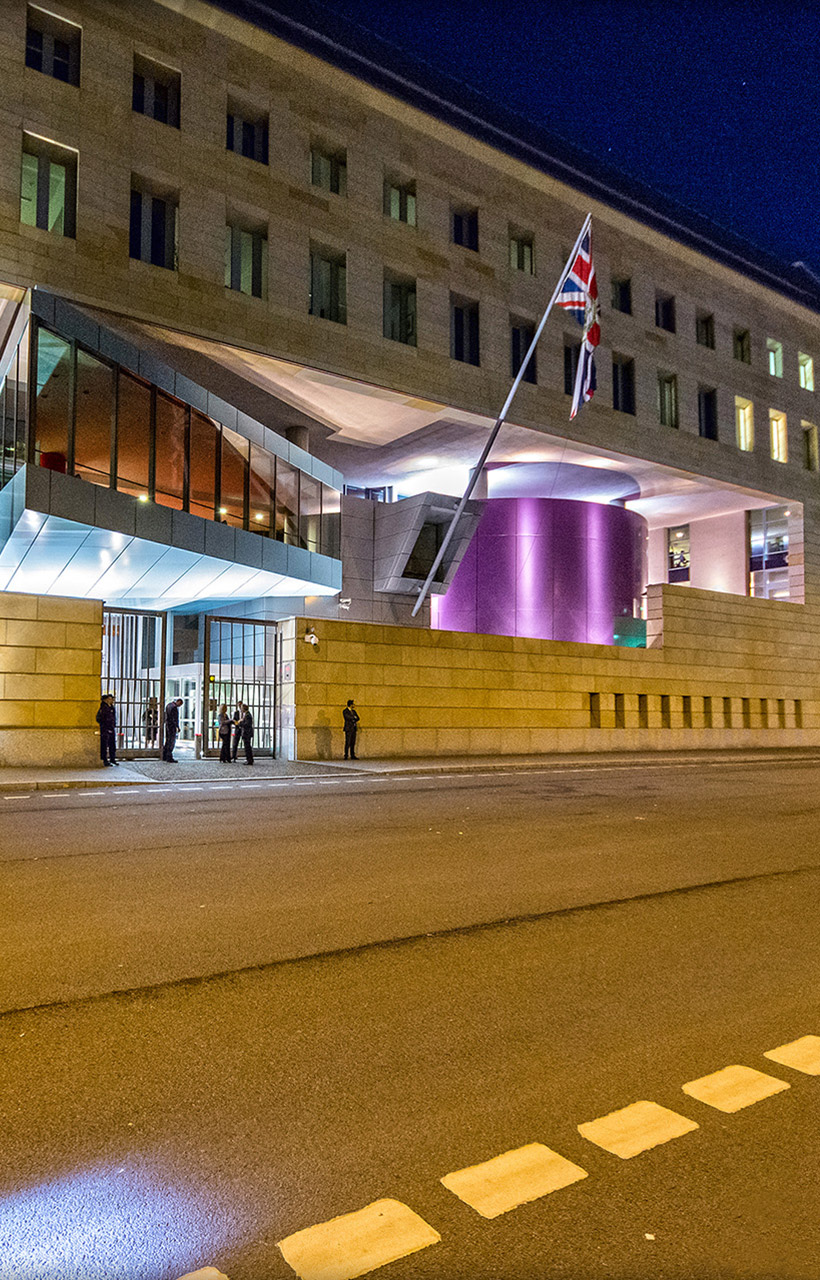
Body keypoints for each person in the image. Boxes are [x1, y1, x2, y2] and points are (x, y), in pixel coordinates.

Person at [96, 693, 118, 767]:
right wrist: (105, 725)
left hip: (111, 727)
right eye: (110, 699)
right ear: (106, 700)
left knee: (112, 744)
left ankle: (112, 759)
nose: (112, 700)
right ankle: (105, 760)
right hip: (105, 728)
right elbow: (99, 718)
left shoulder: (111, 707)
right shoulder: (103, 708)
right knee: (105, 745)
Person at [163, 697, 183, 762]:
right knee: (171, 741)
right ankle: (169, 757)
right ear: (178, 702)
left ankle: (164, 755)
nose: (179, 706)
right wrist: (177, 726)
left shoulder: (168, 705)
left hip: (167, 725)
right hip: (172, 726)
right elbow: (174, 718)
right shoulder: (174, 708)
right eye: (180, 704)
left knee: (167, 740)